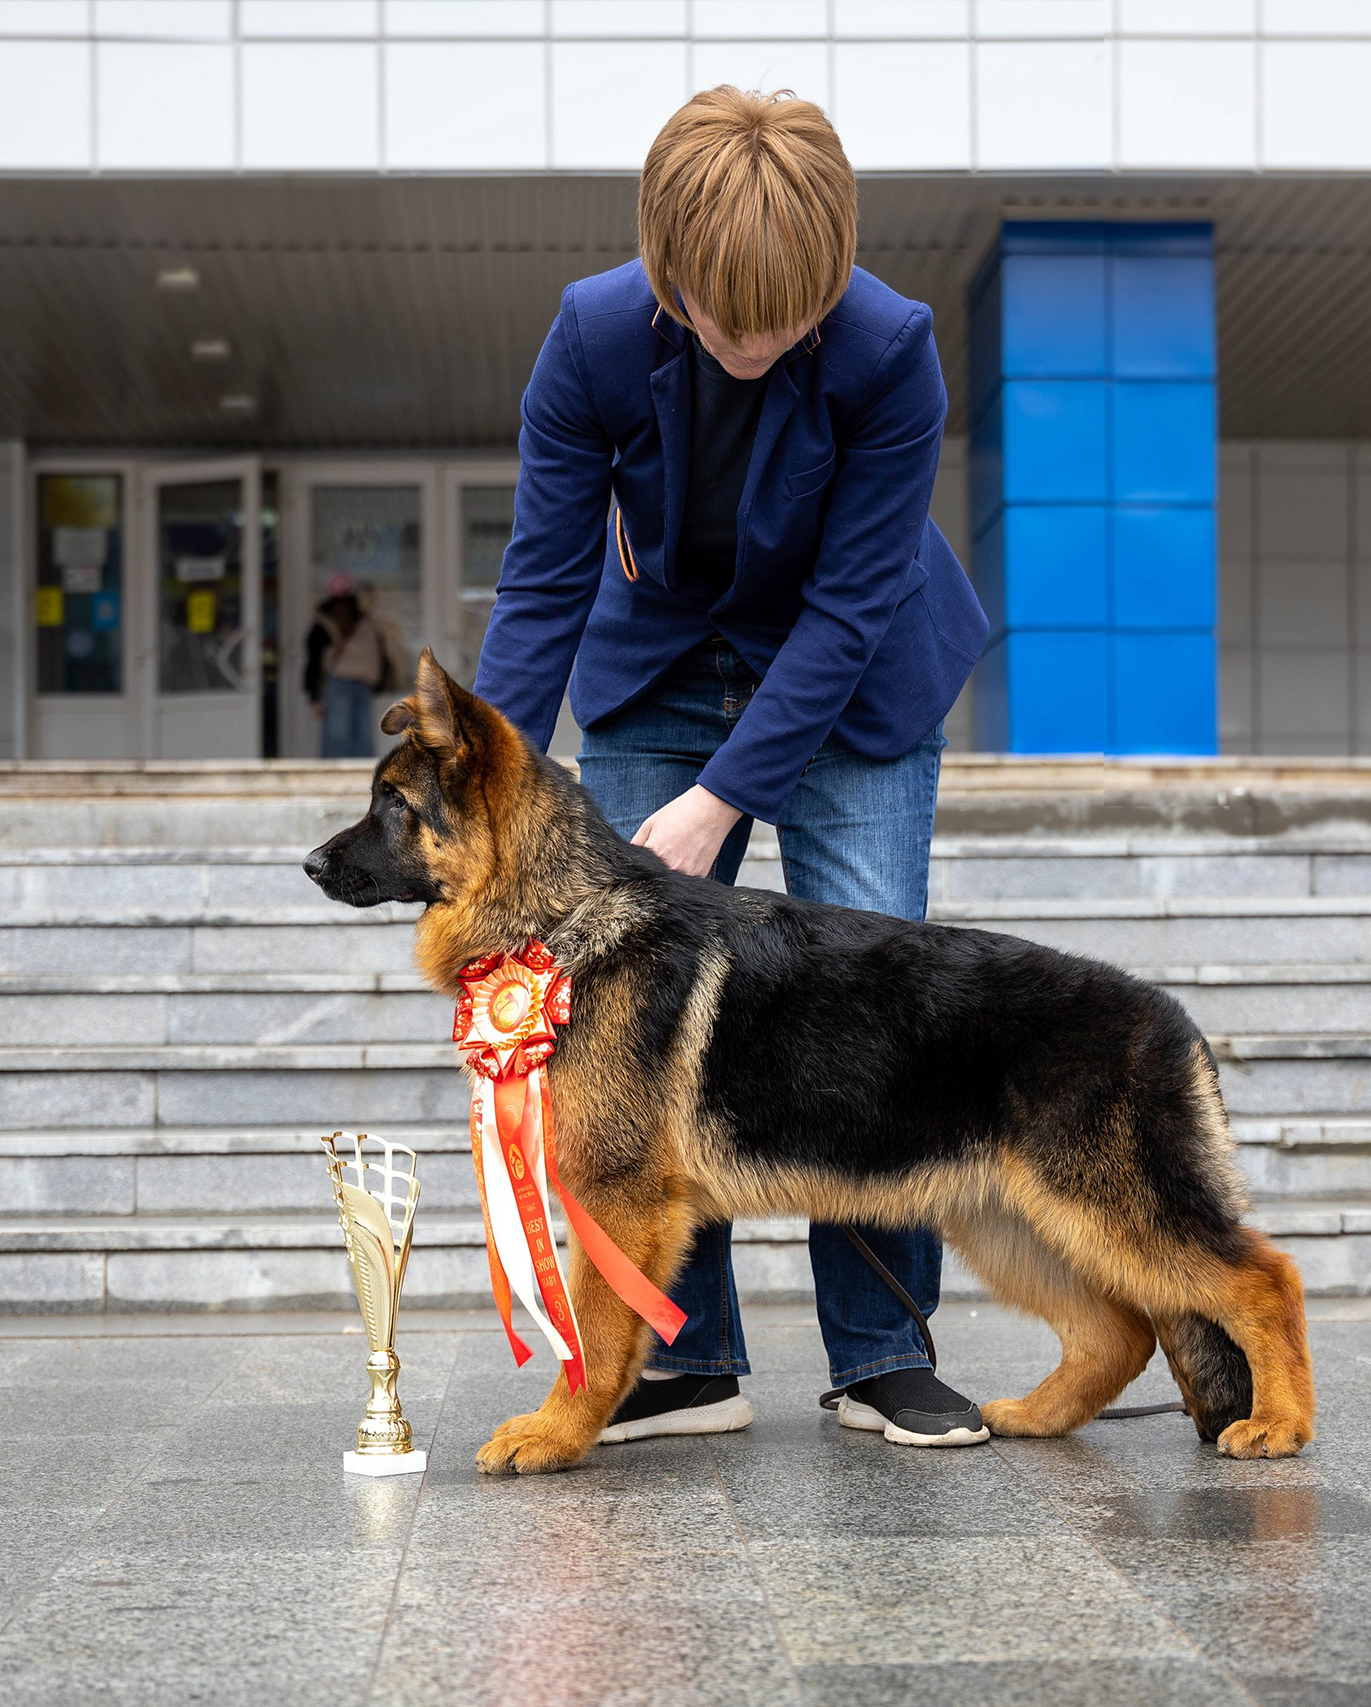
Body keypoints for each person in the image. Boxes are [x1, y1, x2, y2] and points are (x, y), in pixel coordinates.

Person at [469, 87, 993, 1449]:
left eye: (787, 320)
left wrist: (718, 801)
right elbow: (543, 580)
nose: (755, 344)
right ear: (667, 269)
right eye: (723, 318)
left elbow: (848, 607)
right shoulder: (591, 333)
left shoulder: (891, 349)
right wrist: (486, 790)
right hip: (656, 664)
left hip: (853, 682)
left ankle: (881, 1351)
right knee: (620, 1009)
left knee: (872, 1001)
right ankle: (680, 1356)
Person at [303, 572, 407, 759]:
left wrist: (314, 695)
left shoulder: (325, 624)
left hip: (343, 683)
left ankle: (336, 773)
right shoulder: (363, 623)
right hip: (360, 683)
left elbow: (314, 662)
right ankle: (360, 773)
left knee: (339, 739)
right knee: (360, 739)